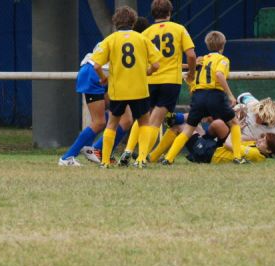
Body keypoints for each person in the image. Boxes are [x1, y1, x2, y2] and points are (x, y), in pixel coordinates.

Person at [118, 0, 196, 167]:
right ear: (170, 12)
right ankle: (142, 157)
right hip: (170, 81)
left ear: (153, 13)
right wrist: (191, 73)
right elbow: (191, 55)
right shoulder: (179, 29)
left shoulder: (145, 33)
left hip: (150, 79)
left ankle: (128, 150)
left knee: (142, 117)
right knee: (155, 121)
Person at [91, 6, 161, 169]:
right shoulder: (142, 39)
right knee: (144, 123)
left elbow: (96, 65)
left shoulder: (110, 40)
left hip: (118, 90)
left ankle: (105, 161)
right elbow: (157, 64)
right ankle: (141, 160)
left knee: (112, 124)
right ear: (133, 21)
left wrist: (103, 79)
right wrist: (147, 72)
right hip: (139, 88)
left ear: (116, 22)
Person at [162, 30, 245, 165]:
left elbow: (191, 77)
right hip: (214, 95)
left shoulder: (201, 60)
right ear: (222, 46)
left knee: (188, 129)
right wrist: (230, 95)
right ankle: (238, 156)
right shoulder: (223, 60)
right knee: (235, 123)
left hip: (198, 95)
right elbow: (219, 74)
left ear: (207, 45)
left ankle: (168, 158)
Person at [150, 93, 275, 162]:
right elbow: (243, 96)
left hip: (223, 145)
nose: (256, 117)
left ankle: (156, 157)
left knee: (181, 127)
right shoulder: (253, 105)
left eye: (261, 118)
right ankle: (197, 135)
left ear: (270, 121)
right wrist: (238, 107)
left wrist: (236, 127)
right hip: (227, 142)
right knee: (212, 117)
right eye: (256, 114)